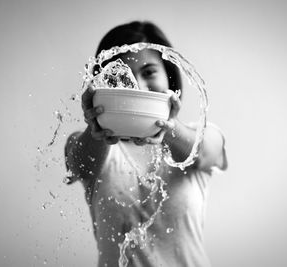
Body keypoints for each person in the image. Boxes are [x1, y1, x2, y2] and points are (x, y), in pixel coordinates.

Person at [65, 21, 227, 267]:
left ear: (169, 77)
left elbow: (204, 153)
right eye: (122, 75)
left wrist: (169, 128)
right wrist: (94, 127)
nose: (138, 86)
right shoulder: (93, 145)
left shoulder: (203, 135)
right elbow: (76, 162)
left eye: (149, 72)